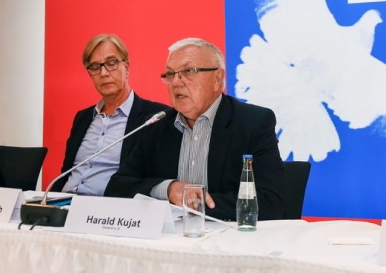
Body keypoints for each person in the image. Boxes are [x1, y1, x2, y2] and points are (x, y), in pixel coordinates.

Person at [105, 37, 285, 221]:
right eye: (170, 74)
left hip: (227, 238)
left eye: (188, 71)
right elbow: (117, 188)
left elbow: (273, 202)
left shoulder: (253, 123)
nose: (175, 82)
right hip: (168, 240)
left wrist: (196, 205)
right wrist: (167, 188)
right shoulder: (155, 125)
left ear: (217, 78)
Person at [50, 34, 169, 195]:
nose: (104, 73)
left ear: (126, 67)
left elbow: (150, 178)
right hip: (63, 204)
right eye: (95, 67)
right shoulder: (83, 117)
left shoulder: (154, 117)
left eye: (111, 63)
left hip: (108, 211)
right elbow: (67, 171)